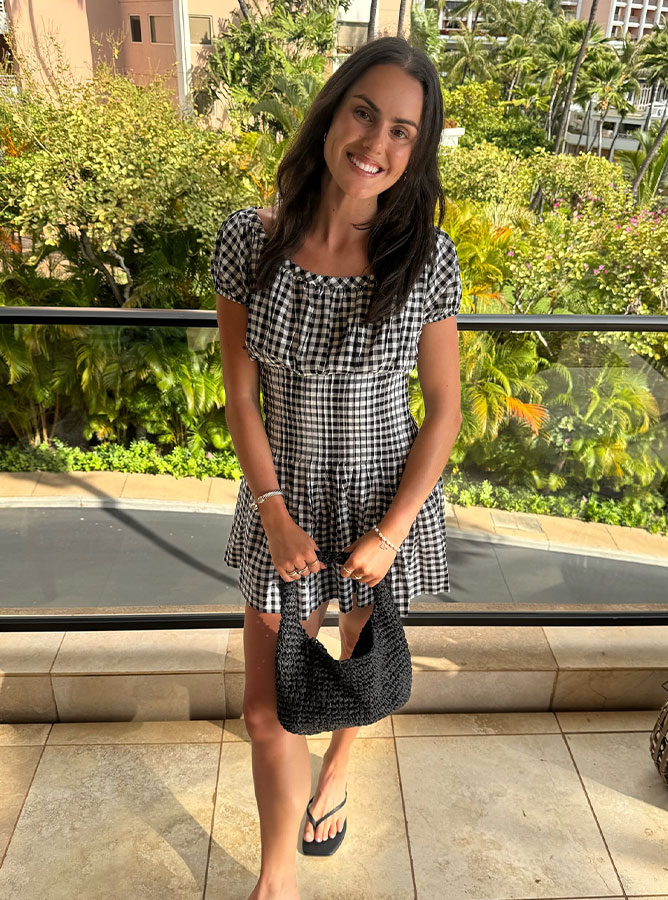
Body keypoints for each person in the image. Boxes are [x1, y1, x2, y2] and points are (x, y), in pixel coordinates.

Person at [211, 35, 463, 900]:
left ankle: (340, 770)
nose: (377, 143)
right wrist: (275, 511)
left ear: (415, 152)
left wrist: (392, 533)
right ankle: (276, 880)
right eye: (365, 112)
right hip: (283, 507)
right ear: (331, 114)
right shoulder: (253, 241)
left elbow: (445, 410)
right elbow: (242, 398)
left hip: (380, 509)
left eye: (403, 131)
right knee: (265, 706)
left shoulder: (425, 257)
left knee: (362, 669)